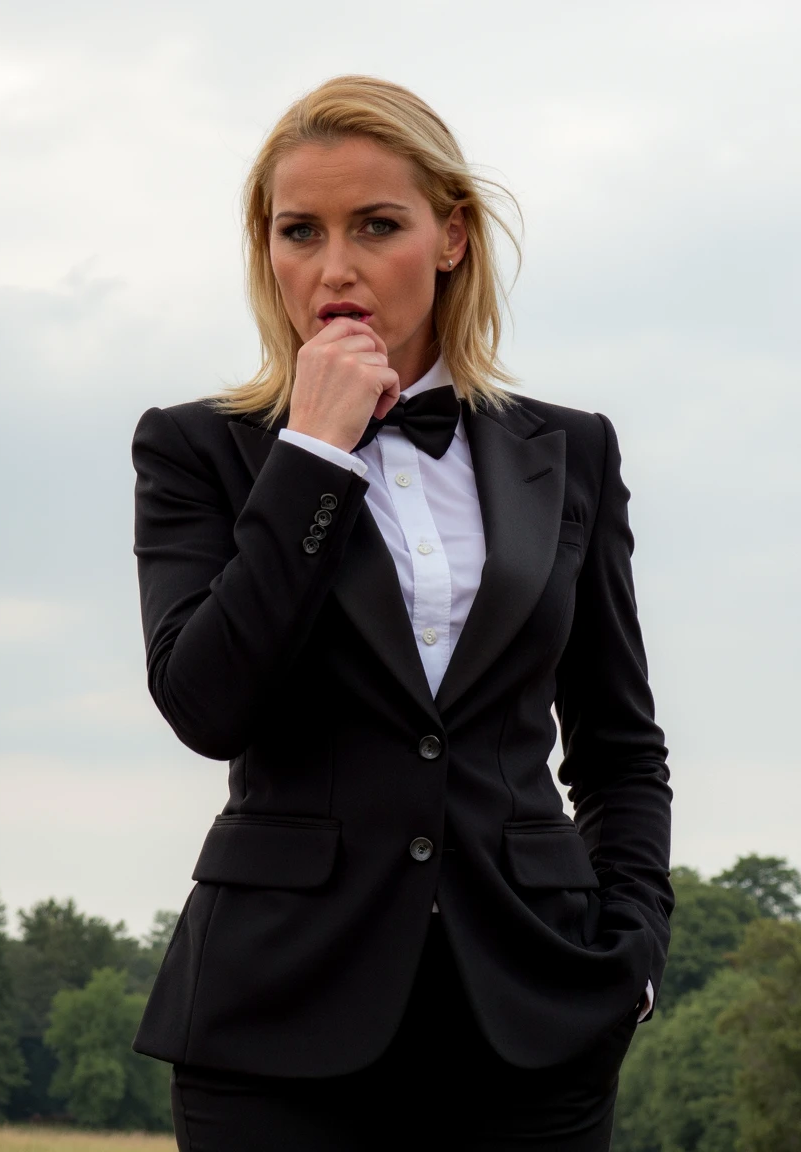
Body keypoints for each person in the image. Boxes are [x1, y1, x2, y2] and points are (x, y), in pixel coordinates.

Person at [130, 74, 673, 1151]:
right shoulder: (197, 449)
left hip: (534, 1020)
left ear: (451, 237)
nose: (334, 267)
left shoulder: (569, 452)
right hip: (275, 1024)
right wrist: (314, 455)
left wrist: (633, 957)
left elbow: (617, 745)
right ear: (266, 251)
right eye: (300, 231)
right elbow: (206, 705)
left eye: (376, 225)